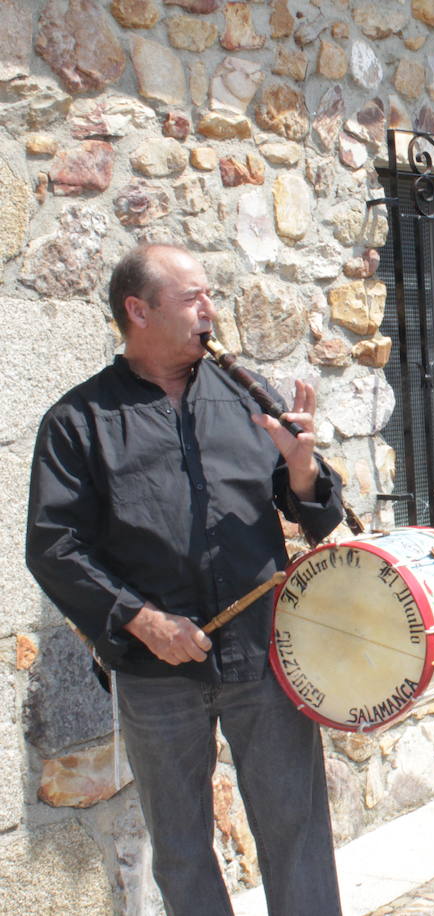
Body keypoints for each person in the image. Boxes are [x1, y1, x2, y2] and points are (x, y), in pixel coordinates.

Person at [26, 244, 345, 915]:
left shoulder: (246, 396)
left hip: (263, 655)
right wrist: (140, 619)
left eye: (209, 295)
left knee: (297, 833)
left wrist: (302, 470)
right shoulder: (78, 421)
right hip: (154, 670)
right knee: (181, 848)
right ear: (138, 311)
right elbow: (54, 547)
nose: (210, 310)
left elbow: (317, 516)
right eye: (193, 296)